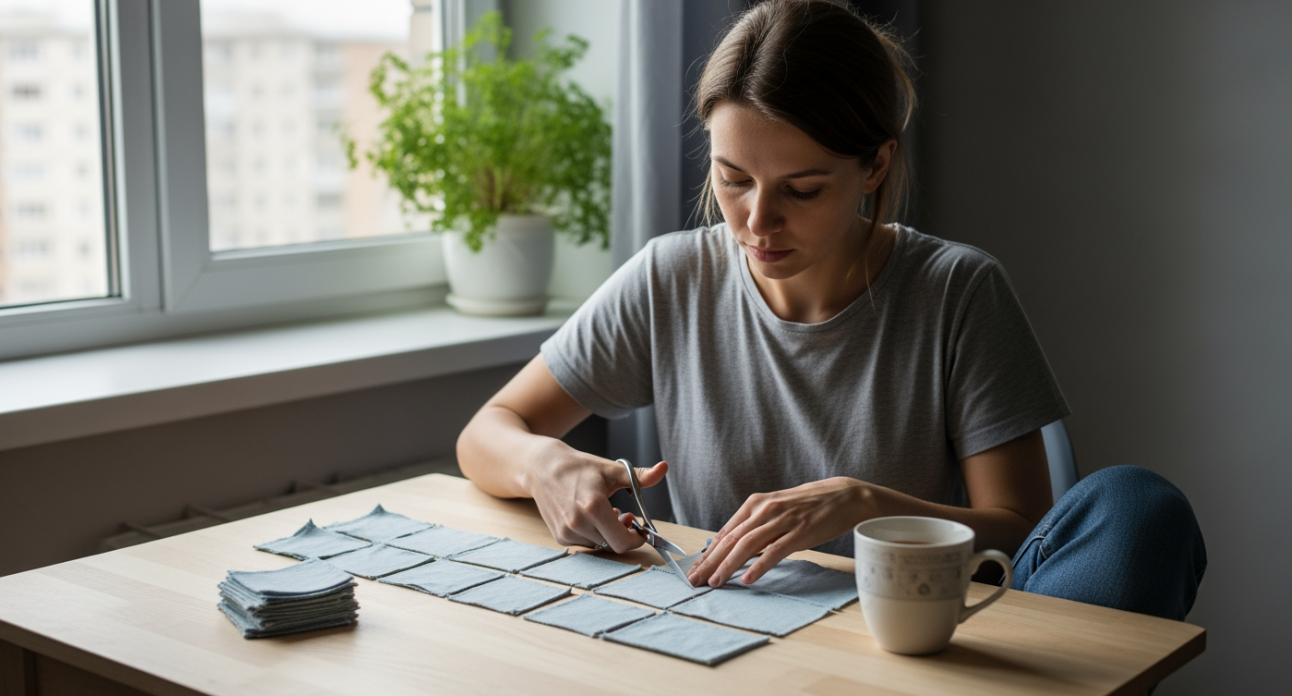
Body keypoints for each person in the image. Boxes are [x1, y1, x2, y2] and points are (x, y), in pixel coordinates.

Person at [457, 0, 1204, 621]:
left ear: (874, 165)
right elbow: (487, 433)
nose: (756, 221)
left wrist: (864, 505)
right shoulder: (669, 278)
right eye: (732, 178)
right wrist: (542, 464)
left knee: (1139, 509)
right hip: (733, 636)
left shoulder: (956, 291)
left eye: (802, 189)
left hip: (915, 641)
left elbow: (1019, 539)